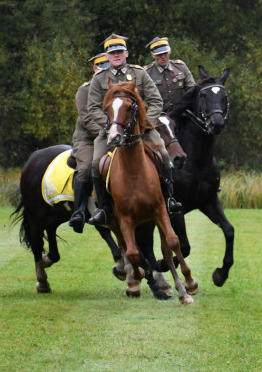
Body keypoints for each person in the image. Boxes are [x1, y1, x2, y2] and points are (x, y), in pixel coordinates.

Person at [83, 33, 180, 227]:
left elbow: (155, 101)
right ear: (107, 56)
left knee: (163, 154)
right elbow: (92, 107)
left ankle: (169, 199)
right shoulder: (99, 78)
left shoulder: (139, 74)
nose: (116, 56)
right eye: (112, 53)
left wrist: (144, 122)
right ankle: (104, 209)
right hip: (110, 131)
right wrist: (110, 126)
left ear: (126, 53)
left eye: (119, 52)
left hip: (140, 129)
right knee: (95, 164)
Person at [67, 52, 110, 232]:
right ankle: (79, 212)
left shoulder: (113, 87)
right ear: (95, 69)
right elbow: (86, 119)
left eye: (108, 68)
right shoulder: (84, 89)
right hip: (87, 139)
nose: (104, 71)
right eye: (101, 67)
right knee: (85, 169)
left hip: (111, 135)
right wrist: (108, 131)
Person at [145, 36, 196, 115]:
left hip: (180, 114)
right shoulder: (147, 72)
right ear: (153, 55)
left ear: (170, 51)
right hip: (158, 117)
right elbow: (138, 97)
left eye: (165, 53)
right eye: (159, 54)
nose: (163, 57)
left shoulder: (180, 66)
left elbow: (192, 89)